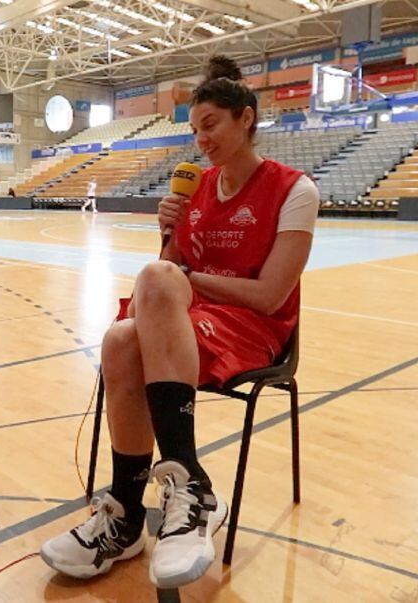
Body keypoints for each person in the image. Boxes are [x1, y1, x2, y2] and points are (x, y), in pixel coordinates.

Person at [41, 55, 318, 587]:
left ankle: (189, 488)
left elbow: (269, 295)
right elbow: (172, 277)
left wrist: (183, 278)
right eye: (194, 130)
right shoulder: (192, 192)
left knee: (154, 287)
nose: (202, 140)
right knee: (122, 336)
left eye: (211, 125)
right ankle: (128, 513)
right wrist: (169, 235)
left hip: (253, 329)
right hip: (191, 322)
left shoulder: (295, 190)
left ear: (247, 118)